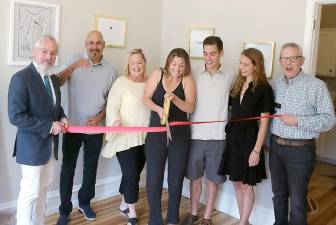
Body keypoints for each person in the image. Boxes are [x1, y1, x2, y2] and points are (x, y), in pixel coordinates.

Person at [269, 42, 335, 225]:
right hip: (275, 148)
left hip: (300, 152)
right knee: (278, 195)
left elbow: (329, 120)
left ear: (302, 61)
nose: (288, 63)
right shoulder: (275, 84)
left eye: (293, 58)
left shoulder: (316, 86)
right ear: (280, 61)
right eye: (284, 58)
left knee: (298, 201)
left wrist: (298, 121)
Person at [55, 30, 117, 225]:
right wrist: (74, 67)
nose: (94, 46)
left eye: (98, 43)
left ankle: (84, 202)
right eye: (91, 43)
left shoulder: (111, 70)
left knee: (90, 168)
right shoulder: (74, 60)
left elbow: (113, 101)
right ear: (85, 44)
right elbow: (57, 82)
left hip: (95, 129)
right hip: (72, 127)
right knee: (68, 168)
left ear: (104, 45)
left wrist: (99, 117)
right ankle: (64, 210)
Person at [8, 35, 68, 225]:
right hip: (31, 147)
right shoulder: (20, 78)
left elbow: (54, 108)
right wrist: (51, 126)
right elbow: (16, 116)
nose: (49, 57)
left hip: (50, 148)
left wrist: (62, 117)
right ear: (34, 52)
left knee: (43, 191)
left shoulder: (54, 80)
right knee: (29, 193)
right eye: (45, 51)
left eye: (53, 53)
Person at [217, 48, 274, 225]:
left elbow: (264, 123)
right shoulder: (237, 84)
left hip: (250, 141)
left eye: (245, 64)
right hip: (233, 140)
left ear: (256, 66)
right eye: (240, 63)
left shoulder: (264, 89)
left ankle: (242, 222)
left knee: (247, 185)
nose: (241, 67)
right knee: (236, 182)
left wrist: (256, 150)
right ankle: (245, 221)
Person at [185, 36, 235, 225]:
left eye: (212, 54)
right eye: (205, 53)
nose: (208, 58)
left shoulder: (231, 76)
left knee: (213, 180)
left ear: (221, 53)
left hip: (219, 137)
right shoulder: (194, 74)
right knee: (195, 178)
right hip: (195, 136)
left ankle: (207, 217)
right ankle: (193, 213)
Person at [143, 48, 196, 225]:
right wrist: (158, 109)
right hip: (156, 134)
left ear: (185, 66)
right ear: (168, 63)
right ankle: (155, 219)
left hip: (180, 136)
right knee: (153, 178)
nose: (177, 68)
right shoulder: (158, 74)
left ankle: (173, 219)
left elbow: (190, 107)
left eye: (181, 65)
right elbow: (145, 98)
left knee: (175, 178)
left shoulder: (187, 80)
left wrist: (174, 99)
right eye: (174, 64)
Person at [101, 49, 150, 225]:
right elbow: (112, 107)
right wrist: (114, 121)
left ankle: (123, 204)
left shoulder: (151, 82)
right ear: (128, 66)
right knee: (130, 174)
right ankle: (132, 211)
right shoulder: (121, 82)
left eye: (139, 62)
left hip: (145, 137)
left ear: (145, 63)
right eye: (132, 63)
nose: (136, 65)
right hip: (124, 136)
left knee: (134, 173)